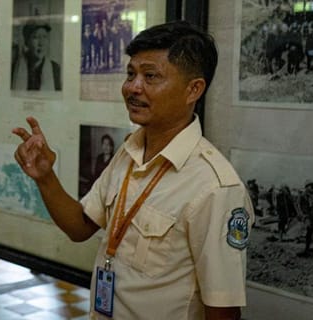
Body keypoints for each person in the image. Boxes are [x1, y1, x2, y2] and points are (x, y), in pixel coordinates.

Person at [13, 20, 251, 319]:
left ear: (193, 89)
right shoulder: (130, 152)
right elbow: (79, 227)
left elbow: (223, 309)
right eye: (130, 74)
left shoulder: (215, 187)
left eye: (150, 76)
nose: (132, 88)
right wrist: (45, 176)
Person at [11, 21, 62, 91]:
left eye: (44, 37)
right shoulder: (14, 69)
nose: (41, 43)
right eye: (36, 37)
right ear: (26, 42)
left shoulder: (55, 69)